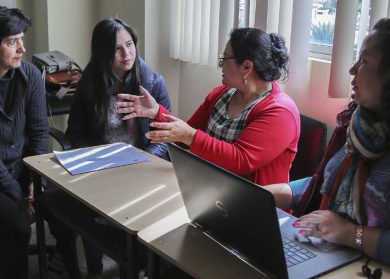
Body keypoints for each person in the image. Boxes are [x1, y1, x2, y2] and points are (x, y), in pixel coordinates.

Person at [263, 18, 390, 266]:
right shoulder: (355, 125)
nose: (352, 70)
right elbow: (322, 184)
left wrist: (351, 234)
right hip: (329, 256)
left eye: (364, 61)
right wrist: (266, 194)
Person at [116, 27, 300, 186]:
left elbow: (240, 159)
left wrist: (190, 136)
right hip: (209, 192)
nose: (220, 64)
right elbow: (185, 136)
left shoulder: (280, 112)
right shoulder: (222, 94)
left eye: (225, 58)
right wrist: (156, 112)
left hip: (255, 209)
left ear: (246, 67)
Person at [66, 18, 171, 278]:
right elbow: (75, 131)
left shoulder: (153, 82)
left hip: (141, 167)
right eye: (117, 49)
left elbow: (165, 137)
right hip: (100, 167)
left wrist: (143, 161)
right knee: (88, 216)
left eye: (130, 45)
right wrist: (93, 160)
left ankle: (129, 268)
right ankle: (94, 269)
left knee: (132, 237)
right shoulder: (91, 81)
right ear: (103, 53)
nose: (127, 54)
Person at [0, 6, 48, 279]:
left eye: (22, 39)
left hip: (24, 169)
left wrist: (35, 180)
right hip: (1, 178)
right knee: (19, 228)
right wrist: (18, 194)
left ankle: (64, 265)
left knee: (71, 204)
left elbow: (40, 133)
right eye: (11, 42)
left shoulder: (30, 76)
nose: (21, 49)